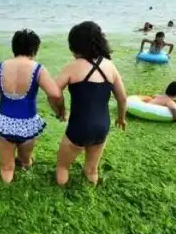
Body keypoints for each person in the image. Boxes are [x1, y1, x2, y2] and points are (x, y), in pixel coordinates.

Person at [0, 29, 63, 183]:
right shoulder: (38, 69)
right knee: (26, 161)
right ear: (35, 49)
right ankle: (25, 179)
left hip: (4, 124)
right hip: (28, 125)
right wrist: (60, 111)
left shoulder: (1, 67)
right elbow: (55, 94)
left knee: (6, 168)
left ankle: (6, 188)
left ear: (13, 47)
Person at [54, 21, 127, 186]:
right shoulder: (110, 66)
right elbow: (122, 99)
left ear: (75, 46)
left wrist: (60, 110)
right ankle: (91, 190)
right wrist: (121, 118)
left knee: (63, 168)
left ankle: (59, 192)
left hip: (78, 128)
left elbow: (54, 93)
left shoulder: (72, 67)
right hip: (102, 127)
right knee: (92, 170)